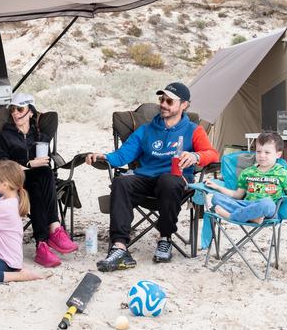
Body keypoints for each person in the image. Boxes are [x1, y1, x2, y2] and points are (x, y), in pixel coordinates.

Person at [86, 82, 219, 270]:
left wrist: (196, 155)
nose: (163, 104)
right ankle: (120, 247)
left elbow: (212, 154)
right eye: (162, 99)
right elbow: (124, 155)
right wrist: (104, 156)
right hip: (146, 179)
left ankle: (165, 238)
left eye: (169, 101)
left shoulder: (193, 130)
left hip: (174, 181)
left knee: (168, 181)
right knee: (121, 182)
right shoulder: (146, 129)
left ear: (184, 105)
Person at [0, 93, 78, 268]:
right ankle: (54, 230)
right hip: (14, 180)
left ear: (30, 112)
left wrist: (39, 162)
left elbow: (47, 154)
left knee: (42, 177)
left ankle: (43, 244)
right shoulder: (4, 136)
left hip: (37, 182)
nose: (15, 113)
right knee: (38, 179)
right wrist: (28, 164)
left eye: (20, 109)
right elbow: (2, 165)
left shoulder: (39, 135)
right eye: (12, 110)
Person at [204, 132, 287, 224]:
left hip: (267, 211)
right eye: (258, 151)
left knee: (267, 203)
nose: (262, 156)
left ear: (278, 154)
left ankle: (232, 216)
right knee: (216, 198)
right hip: (245, 205)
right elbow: (238, 195)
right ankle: (252, 218)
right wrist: (217, 187)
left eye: (267, 152)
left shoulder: (282, 173)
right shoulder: (247, 172)